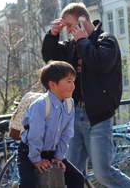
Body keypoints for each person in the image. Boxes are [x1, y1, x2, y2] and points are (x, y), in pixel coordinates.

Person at [42, 2, 130, 188]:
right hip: (73, 116)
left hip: (97, 116)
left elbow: (101, 62)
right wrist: (52, 36)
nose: (69, 31)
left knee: (104, 173)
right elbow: (51, 60)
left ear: (82, 20)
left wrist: (82, 41)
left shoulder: (106, 40)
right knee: (68, 173)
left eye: (70, 26)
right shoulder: (72, 45)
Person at [18, 60, 84, 188]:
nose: (73, 86)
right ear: (52, 85)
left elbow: (67, 133)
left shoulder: (69, 103)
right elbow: (35, 135)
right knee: (28, 184)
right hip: (30, 151)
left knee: (77, 179)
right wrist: (36, 159)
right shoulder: (41, 104)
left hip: (51, 152)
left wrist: (59, 157)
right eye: (68, 81)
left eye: (73, 82)